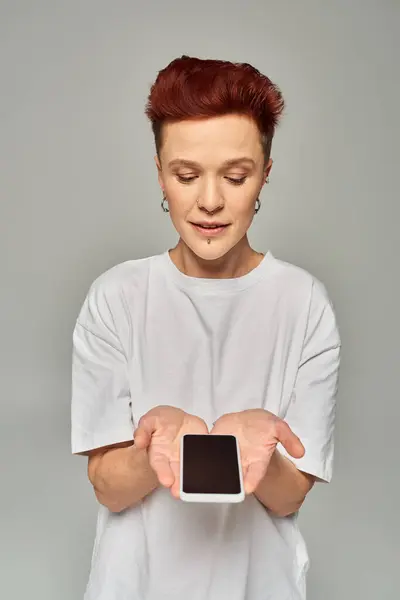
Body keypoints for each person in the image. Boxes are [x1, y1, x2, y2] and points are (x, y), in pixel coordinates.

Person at [71, 55, 341, 600]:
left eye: (236, 176)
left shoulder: (304, 303)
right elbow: (107, 486)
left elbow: (289, 499)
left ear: (265, 173)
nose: (211, 201)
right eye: (187, 175)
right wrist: (155, 449)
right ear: (160, 174)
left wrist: (261, 456)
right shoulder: (116, 298)